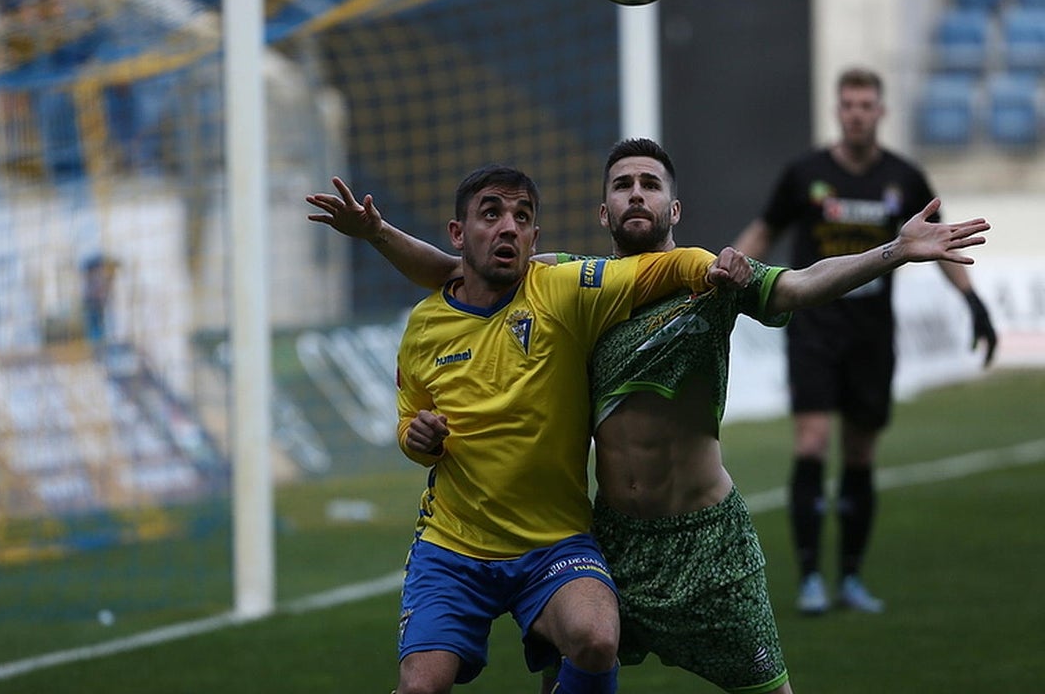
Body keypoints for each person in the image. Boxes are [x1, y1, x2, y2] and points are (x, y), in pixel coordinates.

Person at [307, 139, 990, 694]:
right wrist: (377, 234)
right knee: (574, 653)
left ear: (673, 206)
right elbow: (460, 270)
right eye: (623, 184)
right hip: (614, 539)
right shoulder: (566, 285)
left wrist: (893, 252)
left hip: (709, 544)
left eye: (650, 183)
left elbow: (803, 287)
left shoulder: (714, 275)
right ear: (603, 212)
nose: (637, 192)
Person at [346, 163, 752, 694]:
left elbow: (664, 268)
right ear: (457, 233)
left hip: (554, 543)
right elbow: (408, 420)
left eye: (522, 216)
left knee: (597, 638)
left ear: (535, 237)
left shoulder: (564, 291)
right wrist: (416, 437)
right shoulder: (424, 327)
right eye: (491, 214)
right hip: (453, 546)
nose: (508, 227)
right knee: (422, 687)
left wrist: (713, 268)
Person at [732, 66, 999, 615]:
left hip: (872, 334)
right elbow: (764, 230)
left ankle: (850, 577)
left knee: (860, 451)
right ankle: (810, 578)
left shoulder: (905, 178)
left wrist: (972, 301)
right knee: (810, 442)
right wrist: (722, 272)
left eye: (866, 105)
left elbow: (940, 243)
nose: (856, 114)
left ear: (880, 113)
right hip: (815, 327)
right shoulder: (805, 173)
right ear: (838, 111)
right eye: (848, 105)